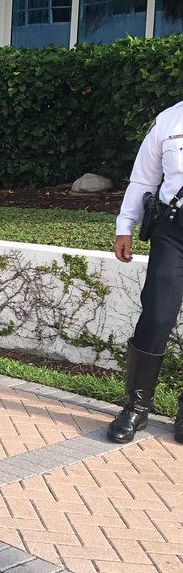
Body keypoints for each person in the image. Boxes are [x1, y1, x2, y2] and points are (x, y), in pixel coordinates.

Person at [110, 100, 183, 444]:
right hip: (173, 232)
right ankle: (136, 407)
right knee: (156, 315)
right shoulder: (169, 121)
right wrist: (125, 225)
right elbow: (144, 179)